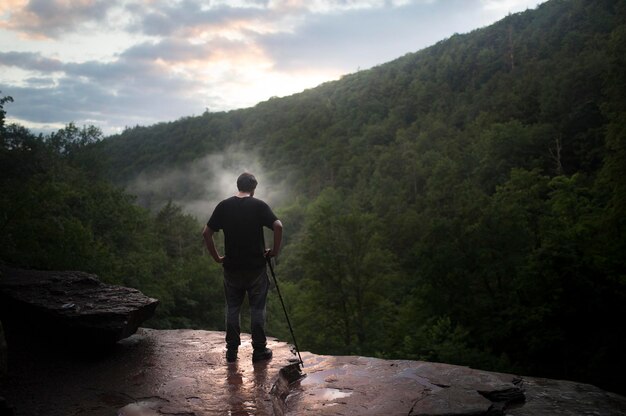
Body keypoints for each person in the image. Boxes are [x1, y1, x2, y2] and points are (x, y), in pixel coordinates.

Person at [202, 172, 283, 363]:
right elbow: (278, 226)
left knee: (232, 308)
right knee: (257, 309)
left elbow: (206, 233)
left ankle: (231, 351)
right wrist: (274, 252)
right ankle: (259, 351)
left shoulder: (224, 206)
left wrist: (217, 257)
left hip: (232, 268)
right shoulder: (259, 206)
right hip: (256, 268)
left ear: (238, 186)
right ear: (253, 188)